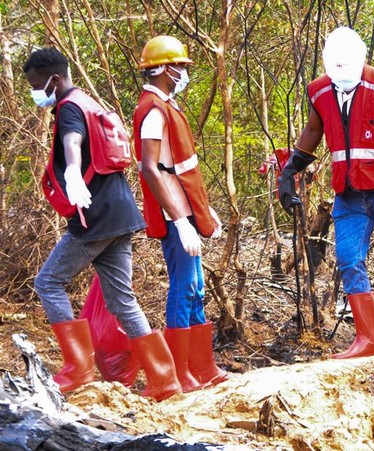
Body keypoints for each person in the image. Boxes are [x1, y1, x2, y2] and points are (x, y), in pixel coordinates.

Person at [24, 47, 181, 401]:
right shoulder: (89, 102)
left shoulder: (69, 108)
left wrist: (72, 171)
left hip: (95, 217)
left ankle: (78, 368)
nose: (36, 93)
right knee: (122, 301)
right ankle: (165, 380)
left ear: (54, 79)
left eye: (36, 85)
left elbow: (72, 139)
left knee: (48, 282)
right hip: (121, 214)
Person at [278, 27, 374, 358]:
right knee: (349, 259)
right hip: (348, 193)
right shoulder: (319, 90)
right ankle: (370, 338)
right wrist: (289, 171)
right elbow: (313, 130)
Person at [133, 36, 228, 391]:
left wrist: (202, 208)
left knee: (196, 286)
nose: (184, 72)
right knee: (184, 285)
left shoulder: (166, 105)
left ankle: (201, 367)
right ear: (163, 68)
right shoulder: (153, 110)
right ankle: (178, 373)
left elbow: (181, 167)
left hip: (183, 208)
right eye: (180, 66)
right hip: (173, 213)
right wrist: (179, 220)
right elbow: (151, 168)